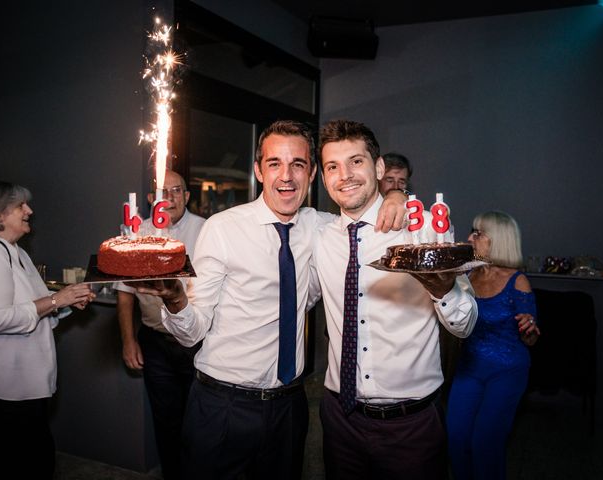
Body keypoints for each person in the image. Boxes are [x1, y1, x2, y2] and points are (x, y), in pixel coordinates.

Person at [129, 120, 408, 480]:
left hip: (289, 407)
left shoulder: (324, 227)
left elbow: (364, 205)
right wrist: (175, 299)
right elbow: (191, 333)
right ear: (259, 170)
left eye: (298, 165)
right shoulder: (223, 228)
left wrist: (396, 196)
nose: (286, 177)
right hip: (222, 406)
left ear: (312, 175)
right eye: (275, 163)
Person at [315, 119, 478, 480]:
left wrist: (441, 289)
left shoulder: (422, 230)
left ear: (378, 167)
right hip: (340, 420)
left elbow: (465, 324)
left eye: (356, 161)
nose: (345, 175)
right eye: (332, 166)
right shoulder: (320, 236)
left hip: (412, 426)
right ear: (323, 177)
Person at [0, 181, 95, 480]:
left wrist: (67, 303)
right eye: (20, 206)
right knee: (23, 461)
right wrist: (57, 299)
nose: (30, 211)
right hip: (7, 384)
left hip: (25, 379)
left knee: (31, 457)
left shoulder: (16, 251)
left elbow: (38, 309)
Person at [114, 170, 205, 480]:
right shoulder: (136, 234)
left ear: (188, 196)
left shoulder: (206, 231)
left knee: (200, 420)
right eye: (163, 192)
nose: (171, 198)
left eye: (177, 190)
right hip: (155, 342)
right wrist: (129, 341)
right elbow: (125, 294)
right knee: (166, 420)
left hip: (198, 345)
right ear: (152, 199)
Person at [446, 211, 540, 480]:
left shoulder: (516, 280)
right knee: (457, 438)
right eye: (471, 231)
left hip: (507, 371)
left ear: (498, 240)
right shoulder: (466, 276)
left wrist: (529, 326)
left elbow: (530, 339)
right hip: (470, 367)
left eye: (478, 233)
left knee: (485, 444)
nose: (469, 238)